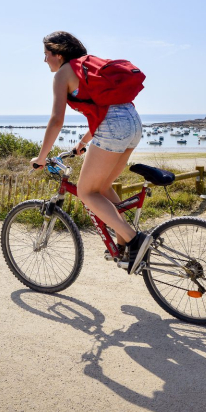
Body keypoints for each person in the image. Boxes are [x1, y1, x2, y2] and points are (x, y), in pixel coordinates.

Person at [31, 31, 151, 274]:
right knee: (104, 187)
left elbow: (56, 120)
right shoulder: (89, 66)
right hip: (133, 122)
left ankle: (134, 238)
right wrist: (84, 142)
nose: (44, 61)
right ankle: (124, 241)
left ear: (59, 54)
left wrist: (41, 158)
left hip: (113, 126)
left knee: (86, 192)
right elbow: (102, 107)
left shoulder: (64, 73)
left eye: (46, 55)